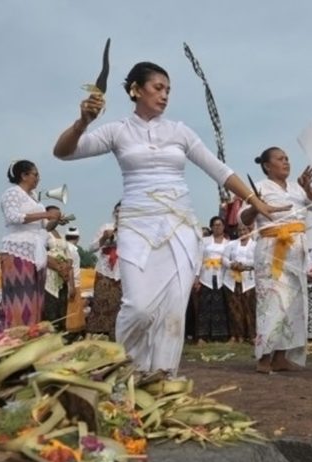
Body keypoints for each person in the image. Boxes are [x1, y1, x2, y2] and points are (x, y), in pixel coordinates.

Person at [53, 61, 282, 374]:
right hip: (137, 226)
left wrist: (256, 200)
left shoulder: (179, 131)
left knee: (173, 311)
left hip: (180, 228)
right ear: (135, 90)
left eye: (168, 90)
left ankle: (161, 378)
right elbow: (64, 152)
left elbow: (219, 170)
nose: (164, 96)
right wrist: (83, 121)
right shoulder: (117, 131)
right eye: (158, 88)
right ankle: (128, 371)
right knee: (138, 308)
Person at [240, 147, 312, 374]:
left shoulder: (297, 188)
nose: (286, 162)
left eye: (287, 158)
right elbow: (243, 217)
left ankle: (280, 356)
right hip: (271, 249)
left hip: (297, 250)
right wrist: (256, 205)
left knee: (293, 304)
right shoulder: (259, 188)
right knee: (271, 303)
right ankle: (264, 356)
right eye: (280, 159)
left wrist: (308, 188)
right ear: (267, 165)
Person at [0, 160, 61, 327]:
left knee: (35, 299)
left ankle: (31, 334)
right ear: (24, 175)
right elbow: (13, 217)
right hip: (17, 251)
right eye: (35, 174)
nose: (38, 178)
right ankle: (16, 336)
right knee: (20, 298)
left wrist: (54, 219)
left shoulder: (35, 200)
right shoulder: (12, 193)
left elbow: (44, 228)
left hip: (35, 252)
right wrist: (44, 214)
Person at [86, 202, 122, 338]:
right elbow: (91, 248)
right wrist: (104, 238)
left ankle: (117, 336)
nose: (120, 214)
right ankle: (98, 335)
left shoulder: (133, 230)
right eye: (118, 211)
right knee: (101, 303)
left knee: (120, 306)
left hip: (123, 272)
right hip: (105, 271)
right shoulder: (106, 227)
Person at [193, 216, 229, 342]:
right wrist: (196, 277)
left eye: (220, 225)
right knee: (204, 306)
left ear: (224, 227)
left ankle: (218, 335)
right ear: (211, 227)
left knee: (219, 306)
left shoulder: (227, 243)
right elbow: (199, 259)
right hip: (206, 276)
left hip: (221, 276)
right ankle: (202, 336)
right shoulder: (205, 241)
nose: (217, 227)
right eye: (215, 225)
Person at [221, 223, 257, 343]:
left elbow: (258, 260)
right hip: (232, 280)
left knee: (249, 308)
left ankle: (252, 335)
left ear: (249, 230)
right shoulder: (231, 244)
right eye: (240, 230)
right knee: (234, 308)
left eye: (244, 229)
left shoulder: (255, 245)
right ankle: (236, 335)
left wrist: (244, 265)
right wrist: (232, 264)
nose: (242, 232)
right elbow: (224, 258)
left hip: (249, 281)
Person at [43, 205, 74, 332]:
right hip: (49, 275)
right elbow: (41, 253)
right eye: (55, 215)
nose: (59, 218)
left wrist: (67, 266)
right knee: (51, 309)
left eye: (59, 215)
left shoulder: (61, 235)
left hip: (62, 277)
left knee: (62, 308)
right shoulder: (43, 232)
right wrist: (57, 266)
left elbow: (69, 255)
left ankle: (61, 336)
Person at [64, 226, 86, 334]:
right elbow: (69, 267)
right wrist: (71, 286)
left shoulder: (67, 247)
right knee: (73, 313)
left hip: (72, 282)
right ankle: (71, 335)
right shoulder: (71, 249)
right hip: (73, 283)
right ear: (78, 238)